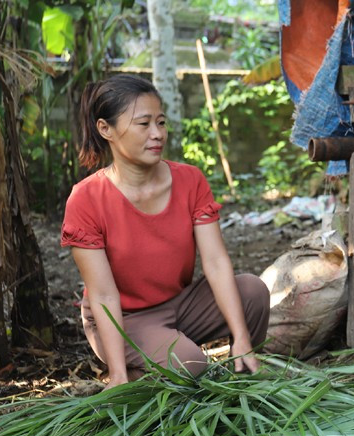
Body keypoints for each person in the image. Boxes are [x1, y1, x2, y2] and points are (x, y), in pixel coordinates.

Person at [61, 74, 270, 389]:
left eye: (161, 122)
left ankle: (243, 377)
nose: (157, 134)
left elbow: (215, 262)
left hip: (181, 304)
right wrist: (117, 376)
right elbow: (103, 295)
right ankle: (134, 372)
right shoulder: (86, 198)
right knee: (192, 364)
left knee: (253, 292)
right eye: (144, 124)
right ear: (106, 129)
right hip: (124, 320)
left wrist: (242, 337)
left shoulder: (190, 180)